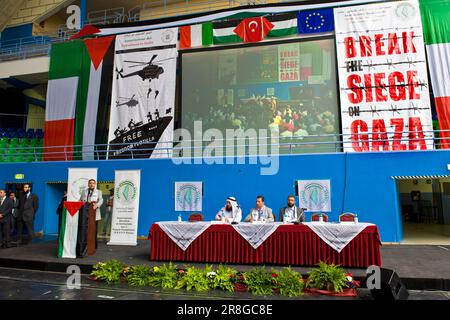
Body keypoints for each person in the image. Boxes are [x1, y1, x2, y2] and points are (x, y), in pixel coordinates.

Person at [79, 179, 103, 254]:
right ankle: (86, 245)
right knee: (86, 230)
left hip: (94, 214)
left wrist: (97, 205)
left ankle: (94, 246)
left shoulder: (99, 192)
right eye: (90, 183)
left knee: (94, 230)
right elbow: (80, 200)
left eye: (93, 183)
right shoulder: (84, 191)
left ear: (95, 184)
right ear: (88, 184)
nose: (91, 184)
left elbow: (101, 200)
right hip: (85, 214)